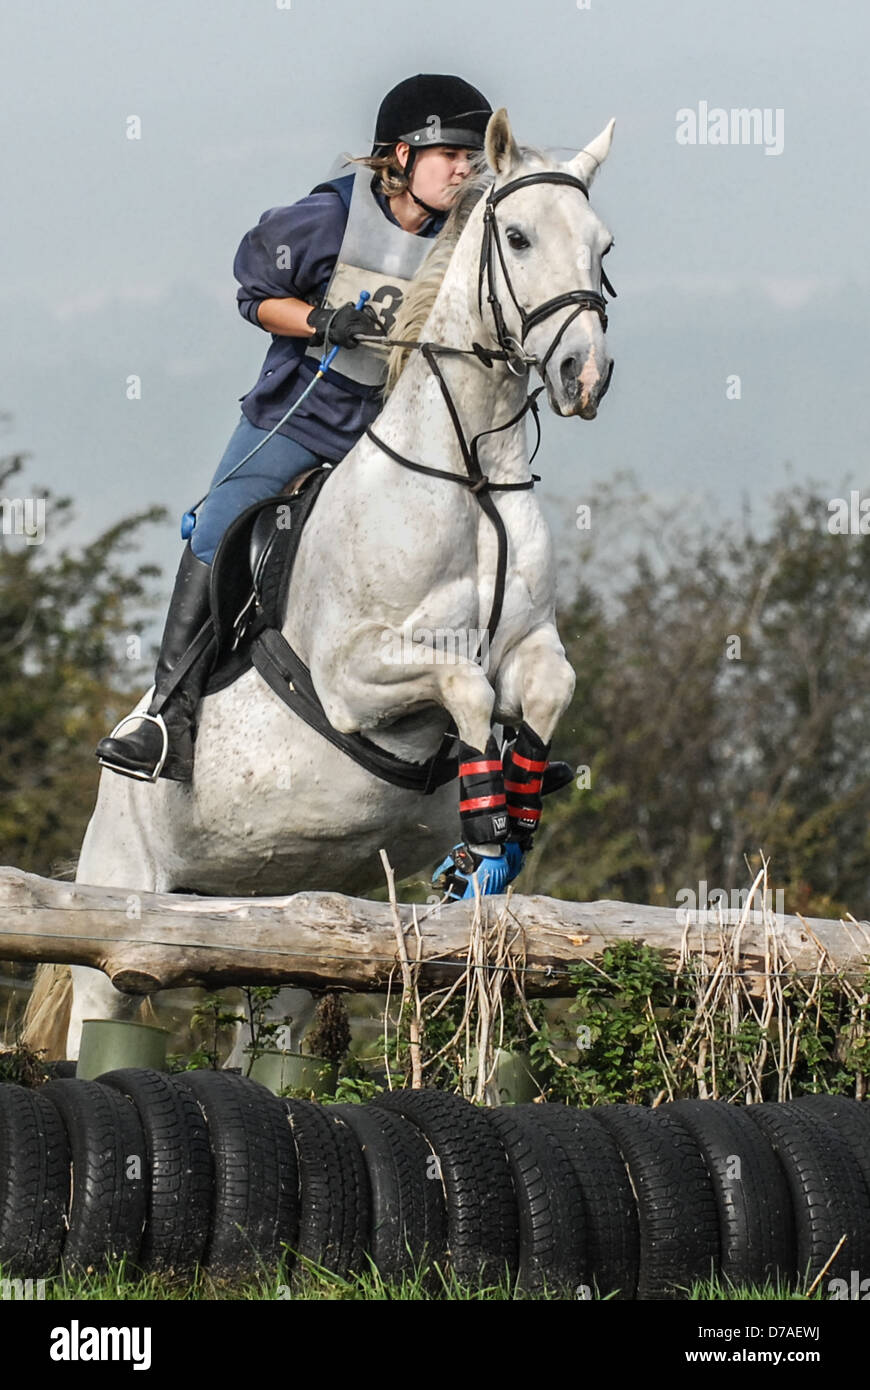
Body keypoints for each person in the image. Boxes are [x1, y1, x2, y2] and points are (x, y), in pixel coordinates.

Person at [96, 74, 493, 782]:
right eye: (451, 155)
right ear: (400, 156)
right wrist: (321, 320)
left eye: (471, 158)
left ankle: (493, 736)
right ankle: (168, 714)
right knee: (219, 521)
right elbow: (255, 296)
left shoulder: (466, 235)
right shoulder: (326, 218)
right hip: (303, 415)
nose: (465, 169)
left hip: (395, 436)